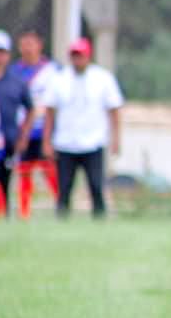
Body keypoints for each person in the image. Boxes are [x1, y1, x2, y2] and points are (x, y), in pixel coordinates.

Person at [42, 37, 124, 218]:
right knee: (64, 187)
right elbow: (49, 113)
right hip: (65, 143)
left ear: (89, 56)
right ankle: (61, 219)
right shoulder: (59, 79)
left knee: (96, 185)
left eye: (81, 56)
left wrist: (116, 139)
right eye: (74, 56)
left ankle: (100, 219)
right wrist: (46, 141)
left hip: (93, 142)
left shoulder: (103, 78)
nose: (77, 60)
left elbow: (114, 110)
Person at [9, 29, 60, 219]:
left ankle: (61, 207)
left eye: (31, 43)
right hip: (23, 131)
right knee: (24, 173)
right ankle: (24, 213)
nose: (27, 48)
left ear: (40, 44)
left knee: (51, 172)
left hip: (45, 130)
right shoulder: (14, 71)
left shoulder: (52, 70)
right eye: (24, 44)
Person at [0, 29, 34, 217]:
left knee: (3, 182)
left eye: (2, 52)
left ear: (8, 55)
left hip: (8, 141)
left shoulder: (17, 81)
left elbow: (31, 109)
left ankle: (2, 217)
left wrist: (23, 136)